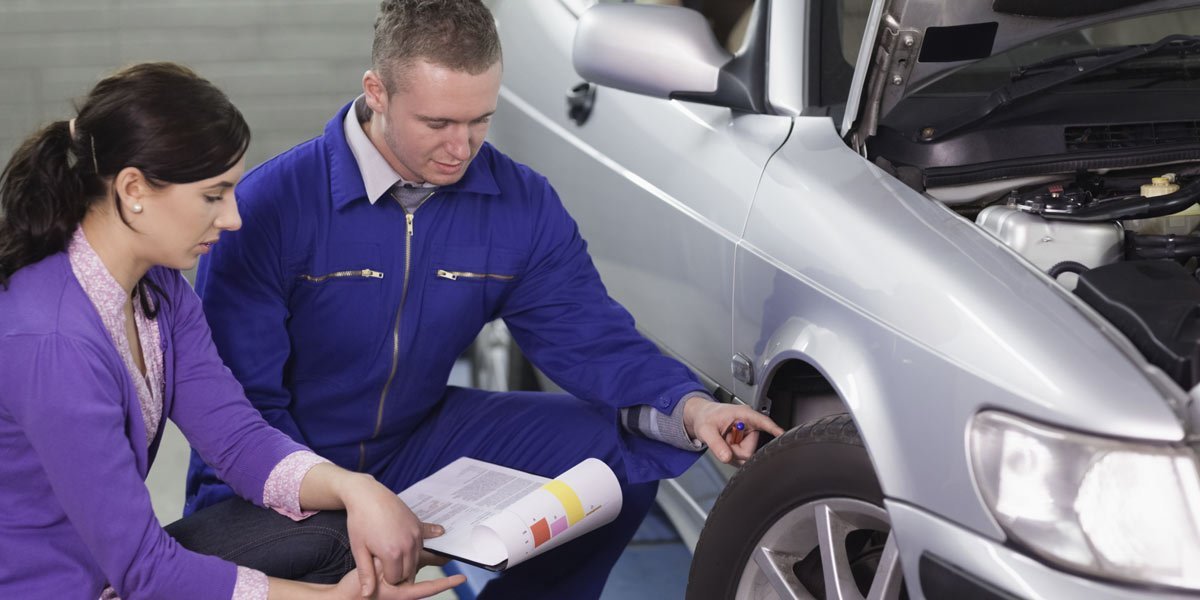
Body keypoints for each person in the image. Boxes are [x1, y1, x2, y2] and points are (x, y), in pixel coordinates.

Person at [185, 1, 785, 597]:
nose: (461, 147)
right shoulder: (270, 207)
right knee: (335, 555)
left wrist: (689, 408)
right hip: (281, 469)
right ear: (377, 92)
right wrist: (346, 498)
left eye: (480, 121)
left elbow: (588, 334)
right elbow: (243, 408)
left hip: (415, 440)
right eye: (438, 124)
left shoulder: (518, 203)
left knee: (614, 459)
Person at [0, 62, 464, 600]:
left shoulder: (159, 288)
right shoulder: (52, 342)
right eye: (213, 195)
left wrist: (356, 488)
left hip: (111, 575)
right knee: (339, 577)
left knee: (342, 530)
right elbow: (146, 571)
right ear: (133, 189)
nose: (233, 218)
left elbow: (239, 441)